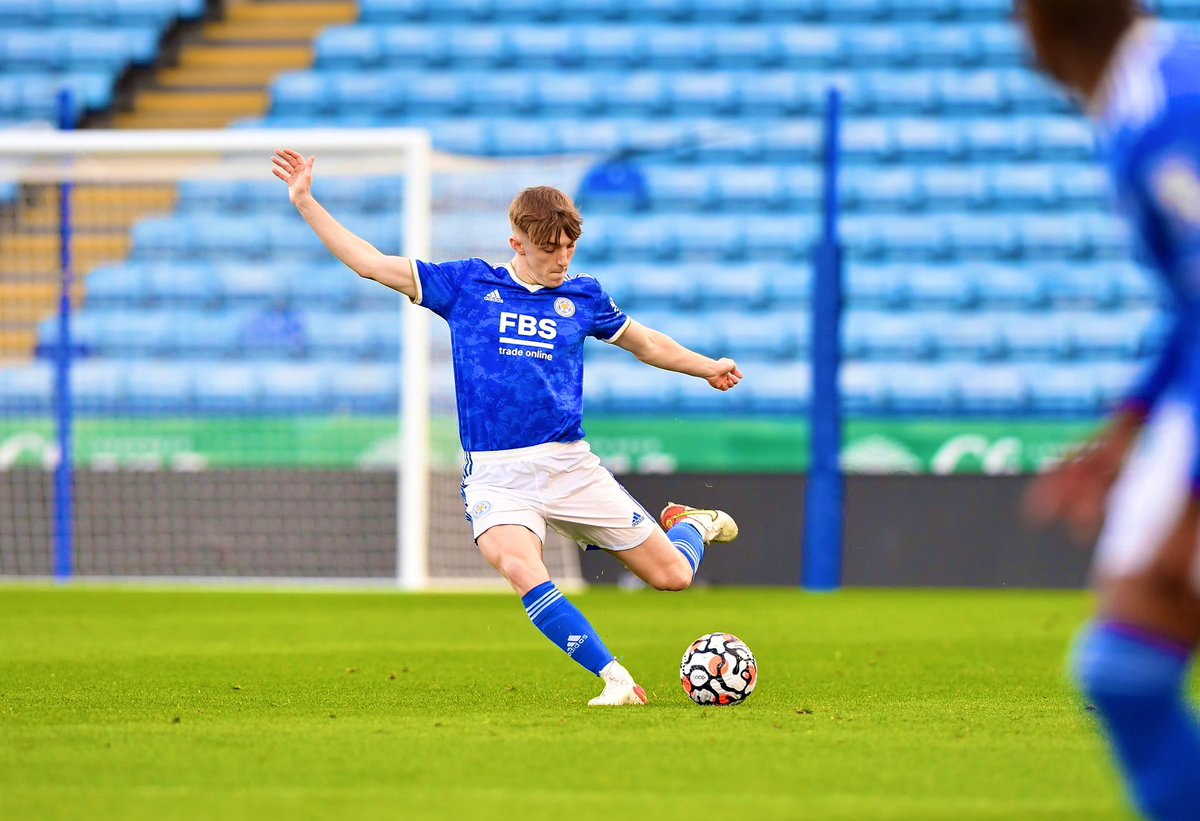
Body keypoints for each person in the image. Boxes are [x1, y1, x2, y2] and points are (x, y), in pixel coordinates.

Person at [272, 149, 742, 706]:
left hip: (569, 465)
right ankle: (615, 678)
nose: (561, 258)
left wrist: (707, 365)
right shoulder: (467, 287)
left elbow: (647, 344)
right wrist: (305, 202)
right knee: (522, 567)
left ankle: (692, 522)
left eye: (569, 246)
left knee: (672, 577)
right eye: (549, 248)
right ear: (517, 243)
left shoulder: (584, 296)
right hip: (498, 477)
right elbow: (371, 263)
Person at [1019, 1, 1200, 817]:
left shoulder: (1170, 114)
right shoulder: (1141, 102)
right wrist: (1124, 432)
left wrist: (1188, 509)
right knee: (1123, 671)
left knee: (1126, 668)